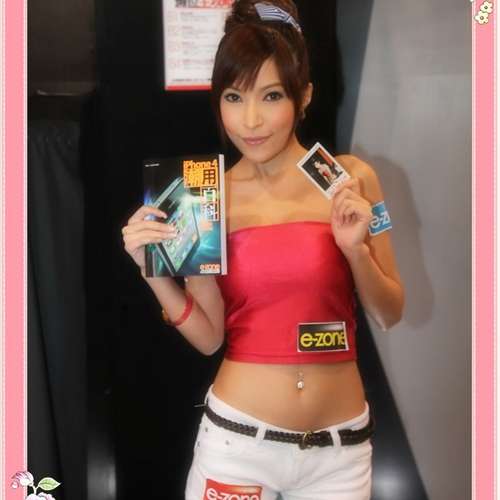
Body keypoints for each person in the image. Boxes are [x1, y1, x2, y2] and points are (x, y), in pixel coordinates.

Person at [122, 1, 404, 498]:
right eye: (234, 97)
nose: (250, 120)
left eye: (271, 95)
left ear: (304, 95)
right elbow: (209, 337)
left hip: (339, 457)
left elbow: (389, 312)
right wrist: (154, 273)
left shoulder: (351, 179)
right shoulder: (203, 196)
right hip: (238, 447)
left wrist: (356, 251)